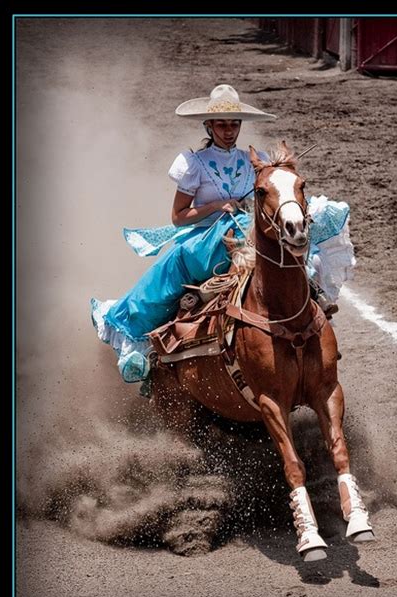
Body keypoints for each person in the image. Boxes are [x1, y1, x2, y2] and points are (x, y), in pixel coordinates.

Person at [91, 84, 355, 383]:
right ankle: (142, 340)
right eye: (221, 124)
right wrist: (218, 205)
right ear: (209, 125)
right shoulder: (194, 164)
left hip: (250, 228)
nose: (229, 131)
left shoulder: (254, 160)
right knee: (170, 269)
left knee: (305, 247)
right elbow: (178, 217)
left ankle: (312, 303)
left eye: (234, 124)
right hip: (208, 238)